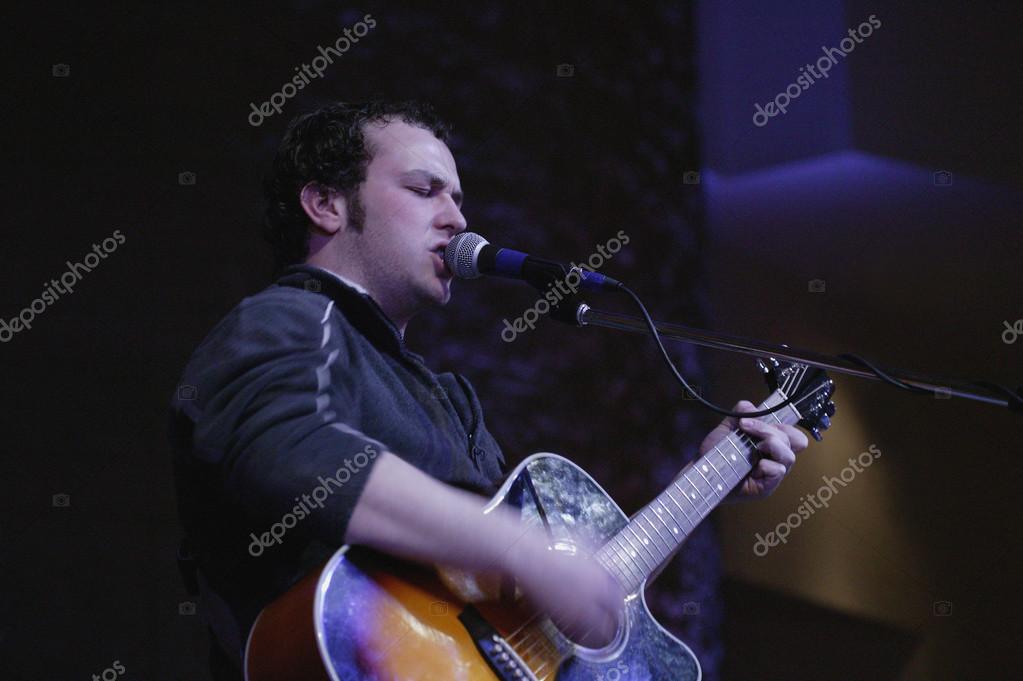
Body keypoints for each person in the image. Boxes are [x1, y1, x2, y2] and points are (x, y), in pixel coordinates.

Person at [169, 99, 809, 680]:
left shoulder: (449, 399)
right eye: (424, 190)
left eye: (458, 197)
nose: (458, 218)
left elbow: (548, 608)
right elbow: (288, 451)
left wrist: (708, 477)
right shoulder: (288, 319)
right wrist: (524, 551)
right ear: (326, 204)